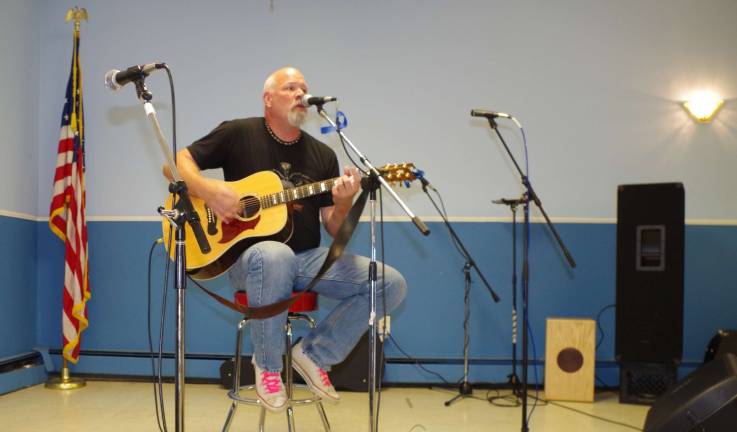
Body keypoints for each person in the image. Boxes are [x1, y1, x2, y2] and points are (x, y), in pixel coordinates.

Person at [169, 67, 407, 412]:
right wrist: (210, 191)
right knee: (275, 254)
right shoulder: (239, 132)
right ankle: (267, 367)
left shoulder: (323, 155)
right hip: (248, 261)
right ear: (268, 99)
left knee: (389, 283)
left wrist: (343, 202)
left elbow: (333, 227)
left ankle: (313, 354)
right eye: (291, 87)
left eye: (304, 89)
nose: (301, 94)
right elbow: (178, 163)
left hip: (307, 259)